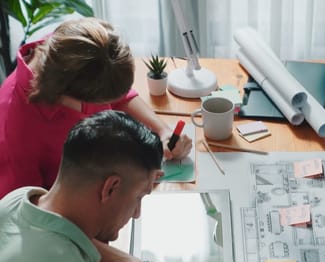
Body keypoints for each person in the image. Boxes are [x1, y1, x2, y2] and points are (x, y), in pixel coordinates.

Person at [0, 110, 206, 262]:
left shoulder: (16, 202)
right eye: (139, 196)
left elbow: (74, 249)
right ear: (110, 188)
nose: (137, 212)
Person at [0, 17, 192, 199]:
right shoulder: (15, 127)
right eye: (100, 102)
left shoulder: (70, 51)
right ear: (66, 95)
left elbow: (120, 97)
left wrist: (163, 131)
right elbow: (27, 211)